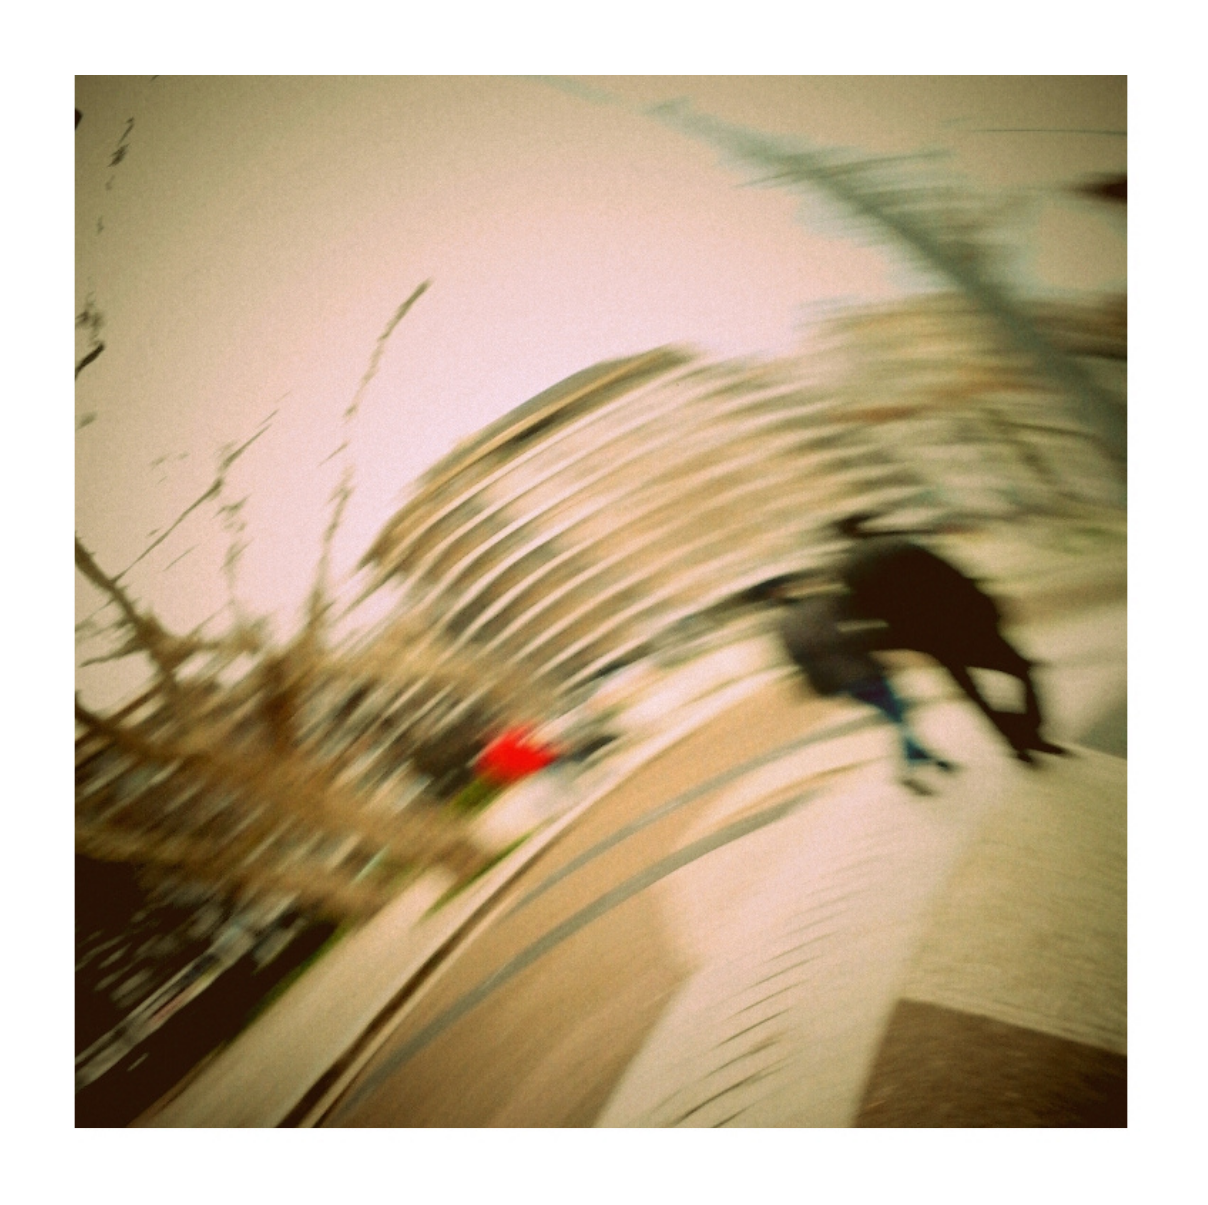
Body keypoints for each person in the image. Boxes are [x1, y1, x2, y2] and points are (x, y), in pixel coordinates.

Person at [833, 512, 1068, 764]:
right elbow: (952, 575)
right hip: (962, 622)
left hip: (928, 638)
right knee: (1022, 669)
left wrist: (903, 633)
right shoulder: (900, 545)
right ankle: (1030, 731)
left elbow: (863, 612)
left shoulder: (849, 569)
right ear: (865, 526)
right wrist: (987, 607)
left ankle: (1014, 742)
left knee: (972, 691)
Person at [763, 583, 955, 794]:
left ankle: (928, 757)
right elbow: (850, 634)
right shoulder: (820, 608)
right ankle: (907, 770)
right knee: (900, 716)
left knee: (897, 715)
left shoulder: (784, 629)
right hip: (864, 672)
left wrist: (824, 686)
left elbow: (800, 662)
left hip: (842, 683)